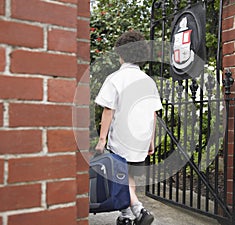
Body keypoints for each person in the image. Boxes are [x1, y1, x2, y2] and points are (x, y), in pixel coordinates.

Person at [95, 30, 162, 225]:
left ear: (121, 53)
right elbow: (153, 113)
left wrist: (101, 140)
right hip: (140, 140)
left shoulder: (115, 78)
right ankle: (125, 217)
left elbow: (108, 110)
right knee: (128, 179)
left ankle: (139, 211)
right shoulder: (148, 81)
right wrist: (151, 141)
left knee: (120, 179)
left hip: (121, 141)